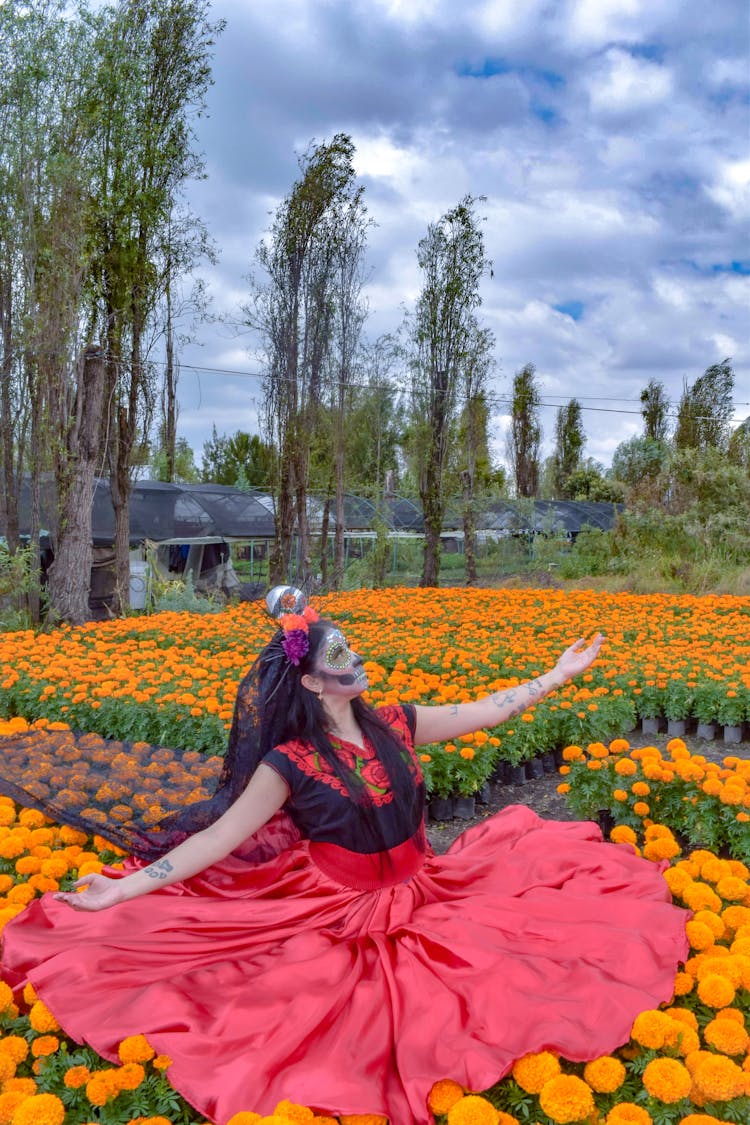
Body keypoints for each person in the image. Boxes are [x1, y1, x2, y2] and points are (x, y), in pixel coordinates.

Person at [1, 589, 689, 1125]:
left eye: (352, 649)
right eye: (340, 656)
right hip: (340, 910)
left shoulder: (395, 720)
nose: (356, 661)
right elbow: (219, 838)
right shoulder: (289, 762)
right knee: (320, 1022)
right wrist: (122, 892)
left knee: (546, 948)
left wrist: (555, 675)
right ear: (309, 682)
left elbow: (486, 709)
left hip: (430, 887)